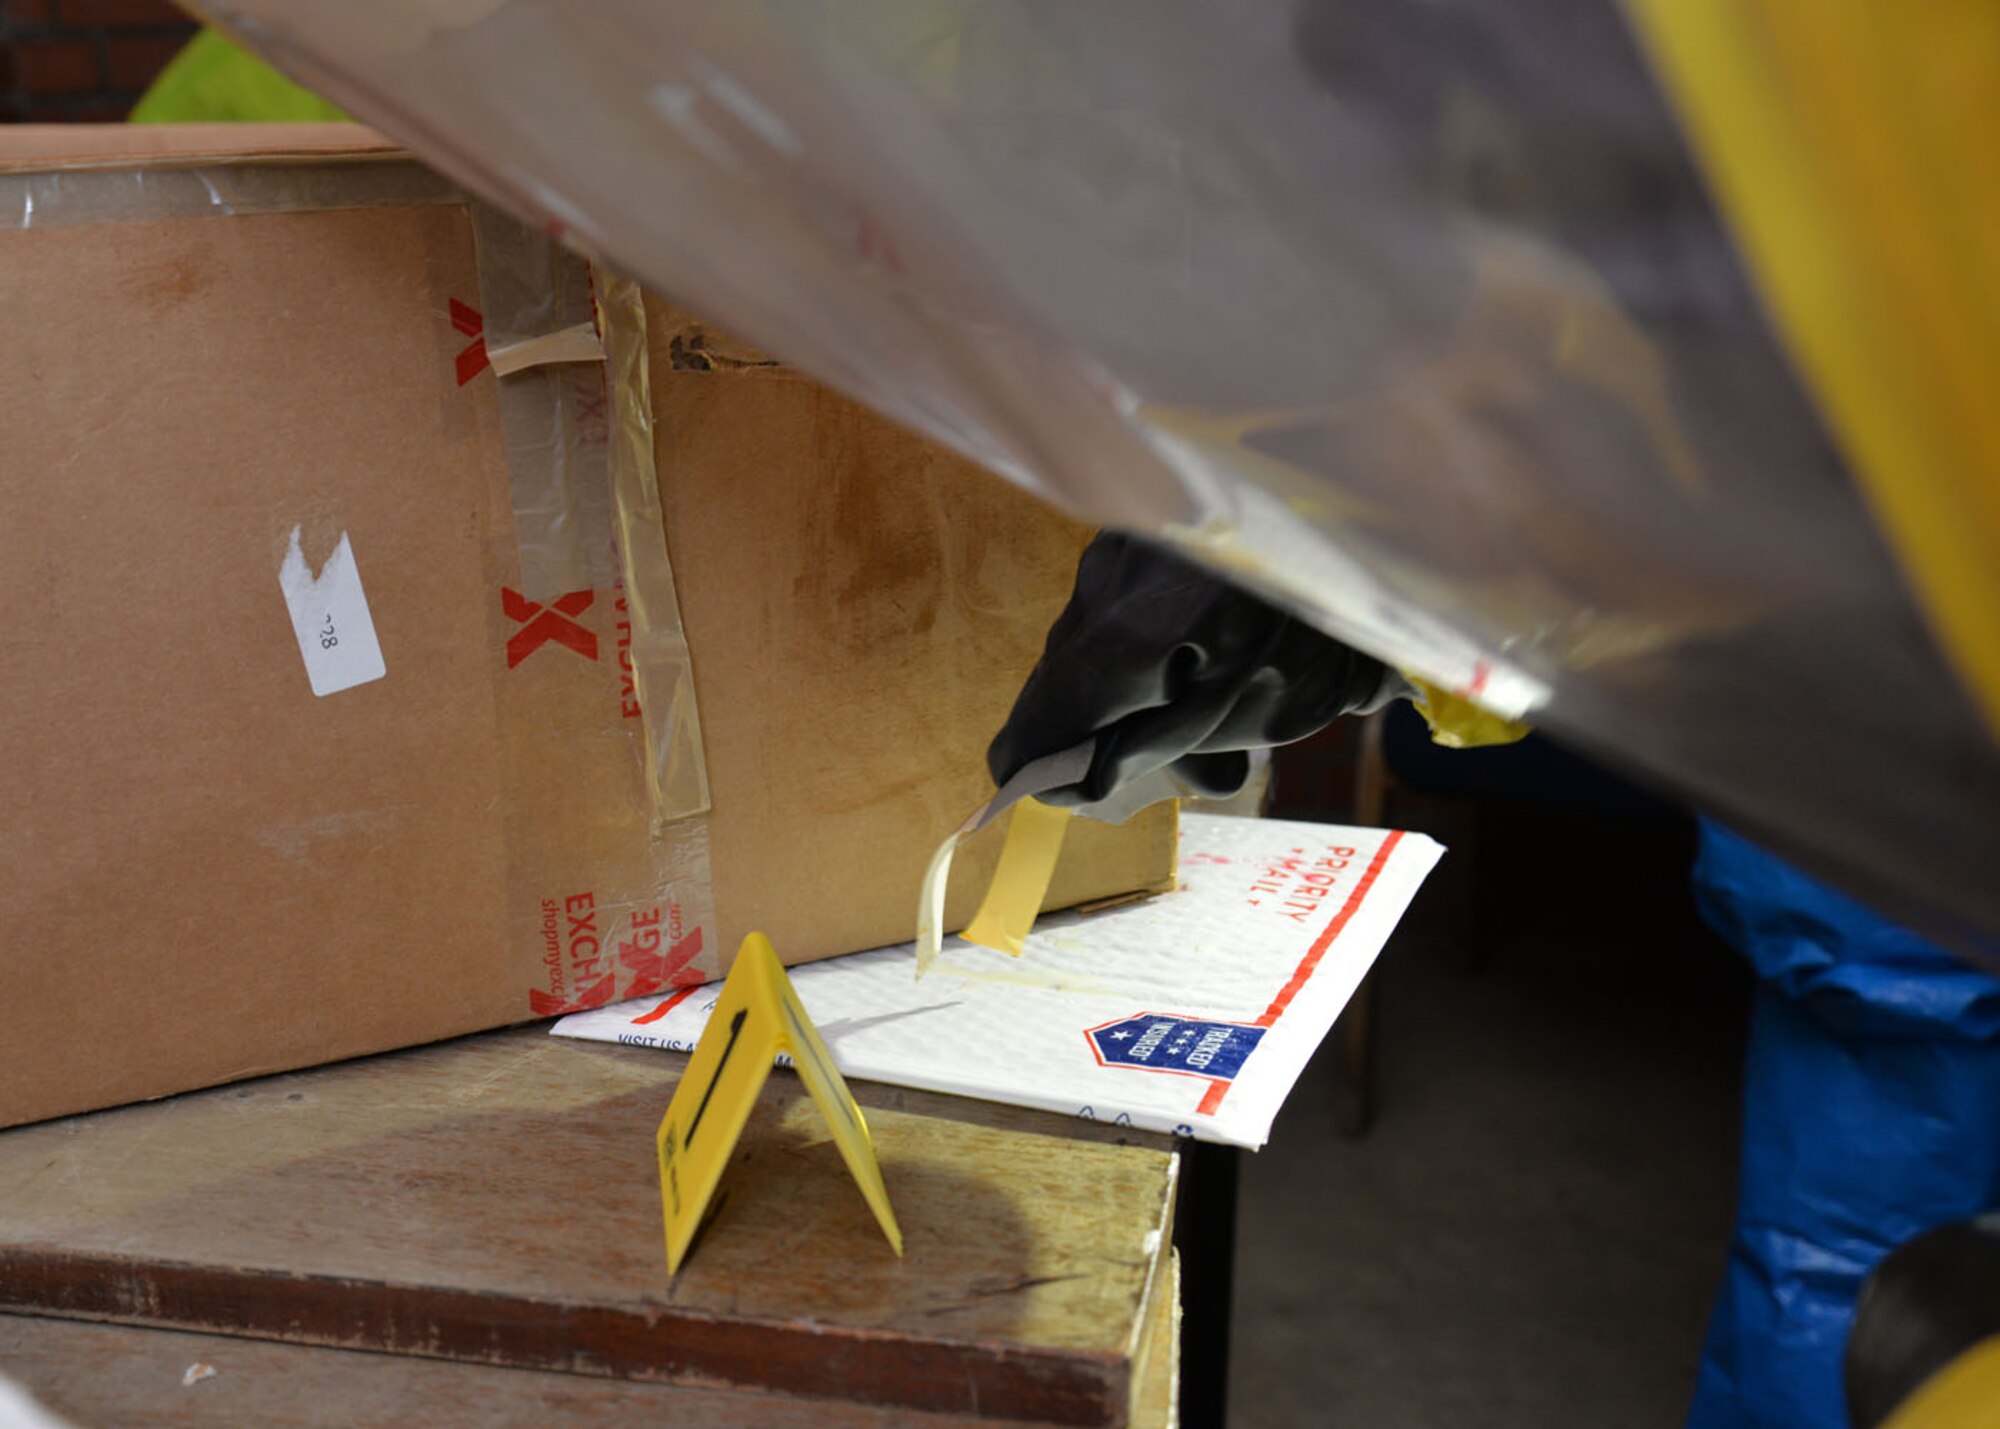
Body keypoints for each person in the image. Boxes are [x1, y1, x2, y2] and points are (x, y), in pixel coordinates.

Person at [993, 532, 2000, 1429]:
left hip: (1905, 679)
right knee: (1873, 1150)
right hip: (1885, 666)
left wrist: (1330, 565)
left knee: (1864, 1195)